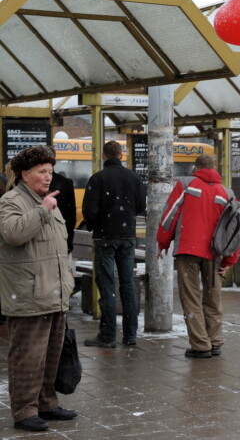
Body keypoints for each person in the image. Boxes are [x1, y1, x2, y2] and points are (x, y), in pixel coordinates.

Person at [0, 146, 77, 432]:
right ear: (25, 174)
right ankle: (24, 411)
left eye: (50, 171)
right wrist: (42, 211)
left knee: (51, 356)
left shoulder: (47, 201)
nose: (48, 177)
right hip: (29, 296)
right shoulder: (12, 200)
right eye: (42, 172)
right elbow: (14, 233)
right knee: (27, 358)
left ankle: (47, 403)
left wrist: (66, 282)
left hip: (53, 294)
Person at [157, 154, 240, 358]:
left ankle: (200, 345)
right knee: (213, 298)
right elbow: (235, 229)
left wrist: (163, 241)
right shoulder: (226, 192)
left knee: (191, 297)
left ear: (196, 167)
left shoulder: (185, 184)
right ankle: (215, 341)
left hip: (188, 249)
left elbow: (170, 214)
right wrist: (230, 260)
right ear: (214, 168)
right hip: (214, 252)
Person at [82, 140, 146, 348]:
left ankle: (108, 335)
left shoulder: (98, 179)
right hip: (127, 236)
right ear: (121, 154)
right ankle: (130, 334)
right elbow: (140, 206)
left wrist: (96, 225)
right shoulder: (134, 178)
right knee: (127, 284)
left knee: (107, 285)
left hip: (104, 237)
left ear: (104, 156)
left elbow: (89, 210)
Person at [48, 147, 76, 254]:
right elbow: (70, 215)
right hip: (59, 236)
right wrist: (68, 240)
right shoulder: (65, 183)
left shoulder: (31, 182)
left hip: (43, 239)